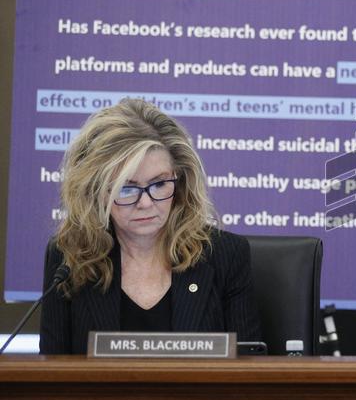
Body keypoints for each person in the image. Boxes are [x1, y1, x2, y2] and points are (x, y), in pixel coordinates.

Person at [40, 98, 261, 354]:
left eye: (159, 184)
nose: (145, 203)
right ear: (95, 191)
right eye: (127, 188)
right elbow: (52, 370)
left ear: (179, 181)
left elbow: (249, 367)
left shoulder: (225, 255)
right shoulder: (70, 257)